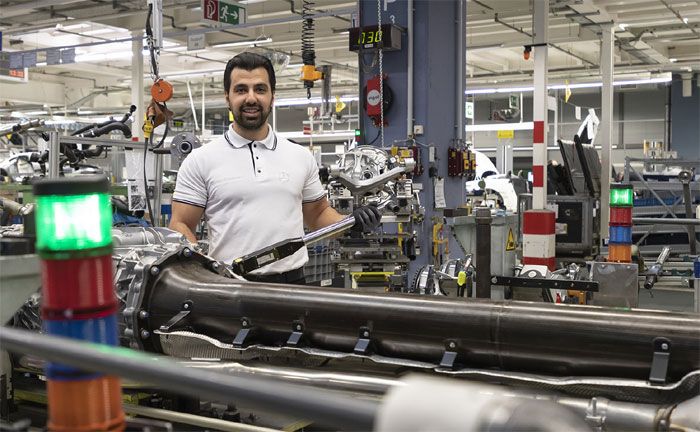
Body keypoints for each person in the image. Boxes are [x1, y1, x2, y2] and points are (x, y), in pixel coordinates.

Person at [169, 52, 381, 284]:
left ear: (272, 97)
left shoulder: (299, 156)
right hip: (230, 286)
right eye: (241, 90)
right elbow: (180, 224)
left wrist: (350, 222)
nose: (251, 98)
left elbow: (318, 214)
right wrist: (201, 270)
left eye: (260, 89)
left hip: (293, 285)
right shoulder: (202, 160)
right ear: (227, 98)